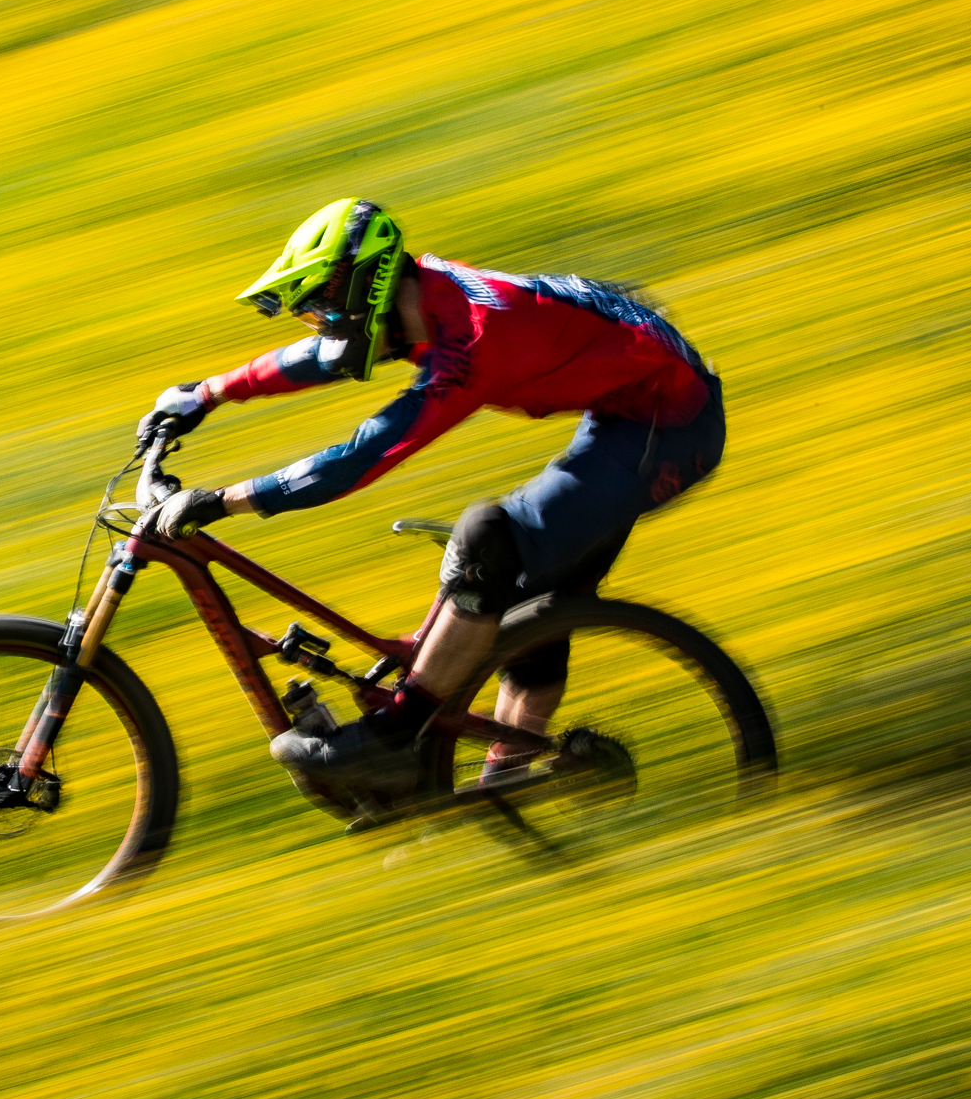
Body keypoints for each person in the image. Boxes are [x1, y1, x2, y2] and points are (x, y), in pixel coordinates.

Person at [140, 198, 725, 799]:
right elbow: (321, 358)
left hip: (671, 427)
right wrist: (207, 392)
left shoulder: (472, 338)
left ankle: (394, 737)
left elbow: (365, 456)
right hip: (628, 405)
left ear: (369, 288)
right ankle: (508, 784)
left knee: (488, 537)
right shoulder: (422, 299)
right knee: (532, 604)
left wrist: (225, 501)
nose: (318, 323)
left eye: (322, 307)